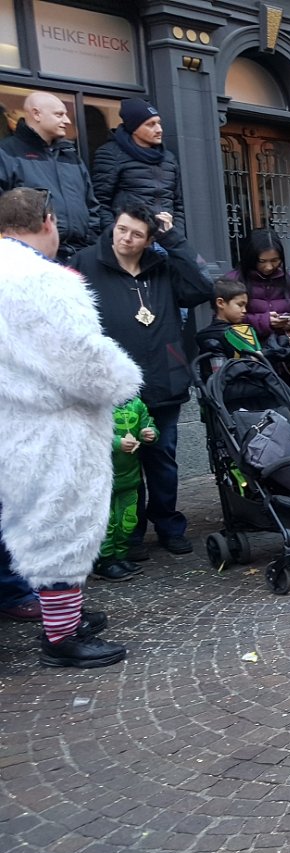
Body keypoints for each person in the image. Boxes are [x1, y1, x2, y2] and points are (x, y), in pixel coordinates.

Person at [0, 187, 141, 667]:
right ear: (47, 222)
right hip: (52, 426)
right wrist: (123, 379)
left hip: (11, 420)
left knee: (22, 518)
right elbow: (82, 361)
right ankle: (61, 636)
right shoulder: (46, 280)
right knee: (62, 523)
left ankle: (35, 605)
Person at [71, 202, 213, 556]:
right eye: (121, 229)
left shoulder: (162, 266)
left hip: (163, 378)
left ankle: (168, 524)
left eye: (136, 234)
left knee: (163, 458)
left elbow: (201, 288)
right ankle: (129, 533)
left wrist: (174, 239)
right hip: (112, 383)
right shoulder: (85, 263)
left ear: (150, 240)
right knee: (124, 461)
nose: (126, 239)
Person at [0, 91, 102, 260]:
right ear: (36, 114)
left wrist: (90, 246)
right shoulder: (6, 153)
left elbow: (91, 206)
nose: (67, 121)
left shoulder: (70, 155)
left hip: (80, 256)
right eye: (59, 115)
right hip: (31, 258)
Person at [91, 97, 186, 236]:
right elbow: (100, 203)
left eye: (159, 123)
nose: (159, 129)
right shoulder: (111, 154)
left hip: (165, 238)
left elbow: (177, 204)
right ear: (134, 128)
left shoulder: (168, 158)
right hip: (131, 239)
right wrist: (117, 235)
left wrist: (176, 235)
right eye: (150, 124)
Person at [94, 396, 157, 582]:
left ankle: (120, 556)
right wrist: (116, 443)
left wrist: (149, 433)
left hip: (130, 476)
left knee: (127, 520)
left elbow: (148, 423)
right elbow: (89, 435)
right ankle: (104, 560)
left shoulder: (136, 404)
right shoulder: (96, 405)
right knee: (107, 521)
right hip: (103, 478)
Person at [223, 228, 290, 346]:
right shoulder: (233, 281)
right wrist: (264, 321)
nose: (269, 267)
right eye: (262, 261)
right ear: (251, 258)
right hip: (246, 349)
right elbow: (224, 320)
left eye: (275, 260)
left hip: (285, 349)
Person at [195, 278, 290, 372]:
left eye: (245, 306)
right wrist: (259, 356)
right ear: (220, 303)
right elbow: (221, 374)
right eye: (240, 305)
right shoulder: (210, 337)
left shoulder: (245, 329)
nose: (244, 310)